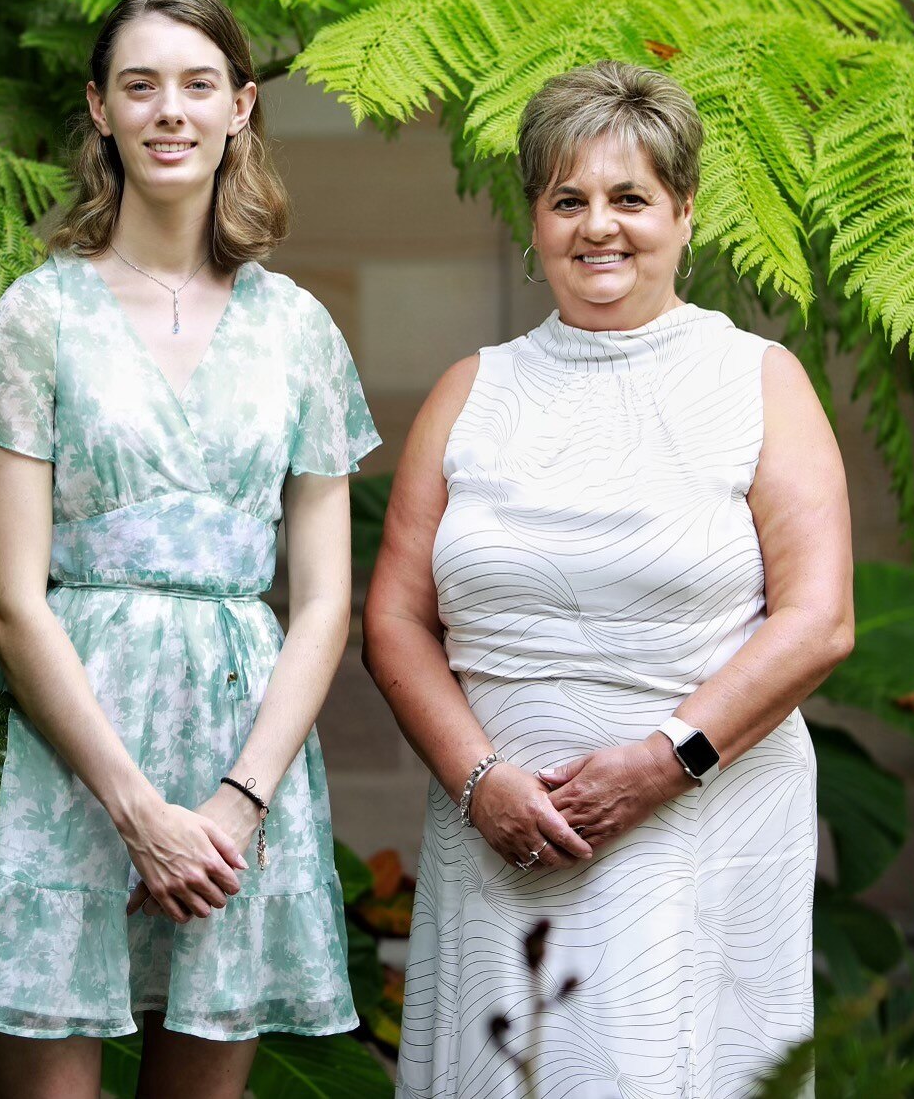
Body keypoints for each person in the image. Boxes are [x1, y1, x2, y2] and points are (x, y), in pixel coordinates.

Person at [0, 0, 379, 1099]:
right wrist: (134, 809)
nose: (171, 110)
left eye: (197, 84)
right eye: (140, 84)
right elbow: (10, 598)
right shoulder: (39, 315)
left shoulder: (297, 331)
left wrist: (234, 802)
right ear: (100, 111)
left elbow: (320, 603)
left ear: (241, 108)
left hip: (238, 763)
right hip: (74, 764)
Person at [364, 60, 854, 1098]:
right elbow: (396, 620)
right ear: (533, 220)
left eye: (629, 197)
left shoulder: (756, 381)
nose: (599, 226)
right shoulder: (470, 391)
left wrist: (666, 760)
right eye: (567, 198)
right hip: (498, 837)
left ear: (682, 212)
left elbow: (816, 620)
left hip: (697, 823)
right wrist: (476, 781)